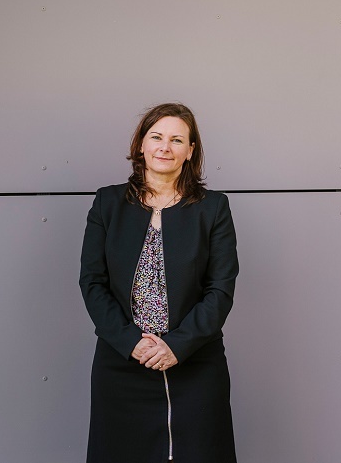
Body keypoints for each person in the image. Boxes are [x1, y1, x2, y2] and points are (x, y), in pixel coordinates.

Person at [80, 103, 239, 463]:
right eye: (156, 137)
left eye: (176, 140)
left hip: (195, 361)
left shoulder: (213, 208)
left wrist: (176, 346)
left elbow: (221, 289)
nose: (165, 147)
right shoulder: (108, 202)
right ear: (141, 145)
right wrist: (130, 342)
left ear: (190, 151)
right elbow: (92, 281)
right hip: (122, 362)